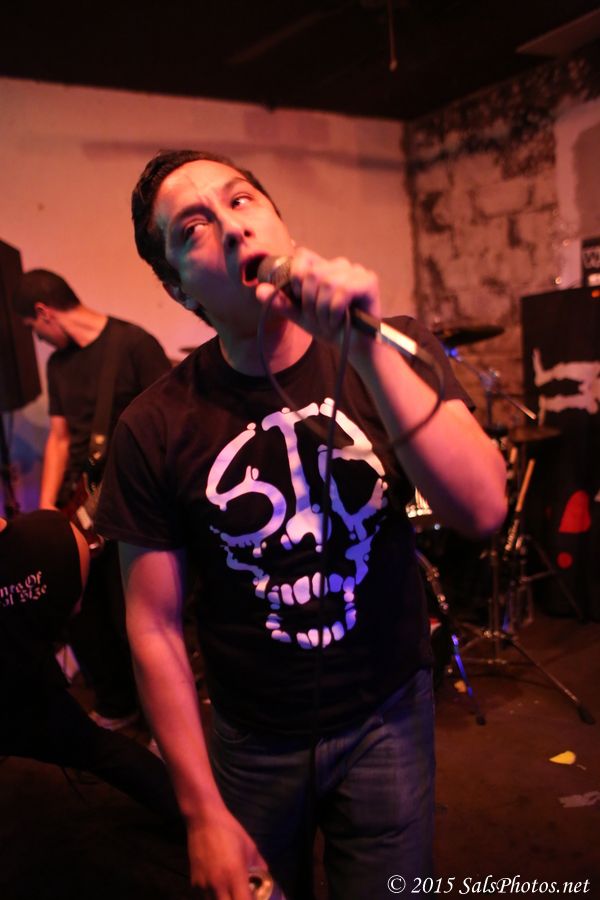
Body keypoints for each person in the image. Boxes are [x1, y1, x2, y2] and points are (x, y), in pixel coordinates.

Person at [95, 149, 507, 898]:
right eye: (194, 228)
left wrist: (363, 347)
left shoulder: (390, 345)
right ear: (178, 288)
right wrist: (200, 811)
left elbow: (482, 508)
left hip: (390, 716)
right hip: (252, 739)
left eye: (242, 200)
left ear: (280, 223)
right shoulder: (152, 427)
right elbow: (152, 626)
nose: (232, 227)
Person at [12, 270, 172, 728]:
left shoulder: (133, 345)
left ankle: (160, 720)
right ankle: (117, 704)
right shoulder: (59, 365)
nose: (39, 340)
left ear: (44, 313)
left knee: (133, 618)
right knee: (81, 613)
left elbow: (169, 426)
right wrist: (47, 508)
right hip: (78, 505)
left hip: (131, 503)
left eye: (34, 329)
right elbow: (60, 438)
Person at [0, 508, 181, 824]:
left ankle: (197, 818)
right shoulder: (50, 538)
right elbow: (72, 605)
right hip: (30, 690)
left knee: (99, 748)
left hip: (27, 692)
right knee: (100, 750)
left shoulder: (45, 537)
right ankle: (199, 819)